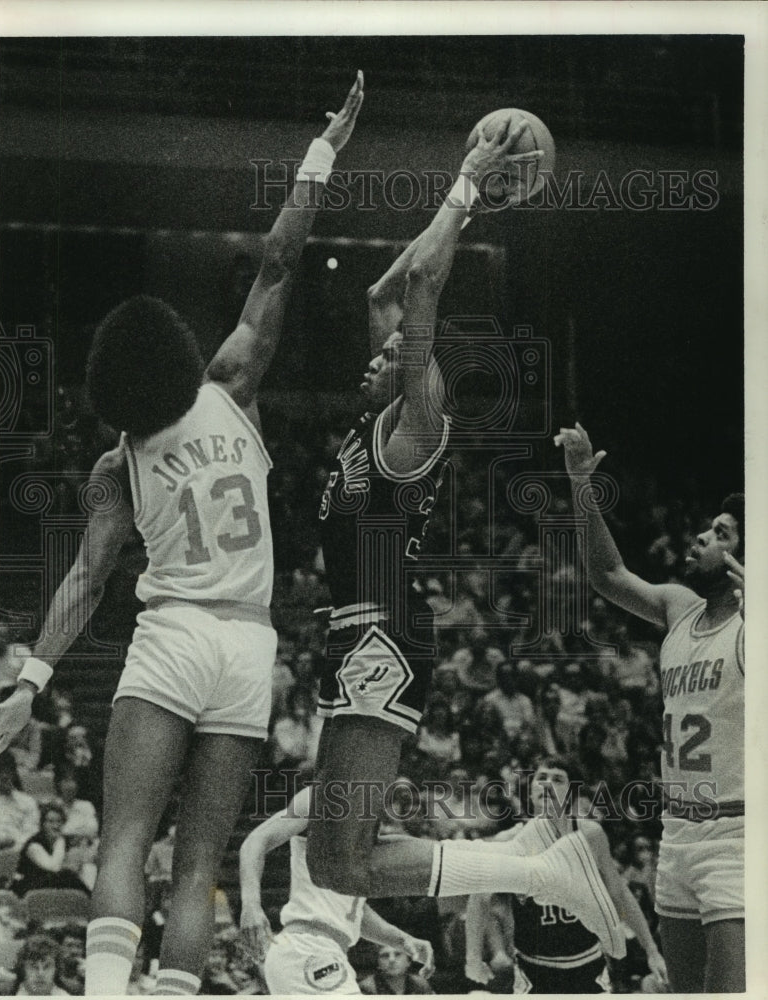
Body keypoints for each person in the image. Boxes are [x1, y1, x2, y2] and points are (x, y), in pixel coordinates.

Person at [0, 73, 365, 996]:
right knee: (198, 861)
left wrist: (29, 682)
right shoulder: (230, 384)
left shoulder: (117, 465)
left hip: (170, 636)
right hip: (247, 643)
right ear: (172, 346)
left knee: (126, 837)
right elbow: (279, 261)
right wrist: (323, 151)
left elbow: (86, 579)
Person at [303, 119, 626, 961]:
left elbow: (420, 291)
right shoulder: (377, 419)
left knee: (341, 857)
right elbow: (384, 294)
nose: (371, 356)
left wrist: (463, 185)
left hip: (380, 631)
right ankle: (524, 858)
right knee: (335, 862)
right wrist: (469, 207)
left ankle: (537, 871)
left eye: (394, 357)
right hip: (363, 632)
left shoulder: (415, 422)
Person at [556, 422, 745, 992]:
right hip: (677, 835)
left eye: (721, 533)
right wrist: (581, 487)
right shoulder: (679, 607)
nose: (699, 538)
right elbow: (608, 574)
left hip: (737, 835)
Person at [464, 759, 668, 994]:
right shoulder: (510, 841)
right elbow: (478, 897)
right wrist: (473, 958)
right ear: (531, 791)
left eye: (558, 779)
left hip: (589, 966)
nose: (547, 784)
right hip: (534, 971)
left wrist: (651, 951)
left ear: (571, 793)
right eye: (542, 778)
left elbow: (619, 893)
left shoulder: (591, 835)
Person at [239, 785, 435, 995]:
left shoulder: (366, 814)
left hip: (321, 953)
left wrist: (402, 940)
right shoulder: (321, 796)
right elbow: (256, 841)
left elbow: (350, 908)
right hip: (307, 950)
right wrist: (251, 905)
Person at [14, 802, 90, 897]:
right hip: (29, 888)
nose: (56, 826)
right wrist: (60, 841)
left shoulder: (63, 840)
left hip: (49, 885)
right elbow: (54, 867)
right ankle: (91, 900)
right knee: (67, 875)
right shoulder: (34, 844)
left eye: (59, 821)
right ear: (43, 824)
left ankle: (89, 899)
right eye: (51, 821)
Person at [359, 945, 435, 995]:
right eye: (385, 956)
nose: (391, 960)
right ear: (378, 964)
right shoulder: (367, 987)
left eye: (398, 954)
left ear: (408, 961)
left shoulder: (420, 985)